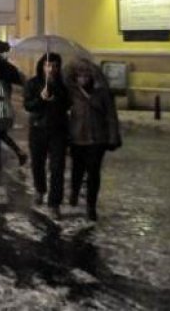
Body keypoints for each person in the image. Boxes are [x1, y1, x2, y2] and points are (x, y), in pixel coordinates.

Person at [65, 59, 121, 221]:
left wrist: (113, 137)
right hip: (77, 138)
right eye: (80, 75)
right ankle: (74, 192)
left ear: (92, 76)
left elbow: (111, 116)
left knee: (94, 173)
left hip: (97, 139)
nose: (83, 78)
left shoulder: (102, 93)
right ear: (75, 77)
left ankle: (91, 206)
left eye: (86, 75)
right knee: (77, 170)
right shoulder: (71, 93)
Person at [23, 53, 70, 219]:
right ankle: (40, 189)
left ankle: (54, 203)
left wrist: (55, 92)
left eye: (55, 66)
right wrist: (41, 98)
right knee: (38, 163)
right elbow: (28, 106)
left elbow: (67, 104)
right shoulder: (32, 83)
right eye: (48, 65)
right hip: (38, 129)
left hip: (58, 130)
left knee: (57, 167)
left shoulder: (62, 85)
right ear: (42, 65)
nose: (51, 69)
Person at [0, 76, 27, 167]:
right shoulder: (5, 82)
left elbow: (0, 97)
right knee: (2, 135)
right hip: (4, 112)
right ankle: (20, 153)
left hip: (1, 112)